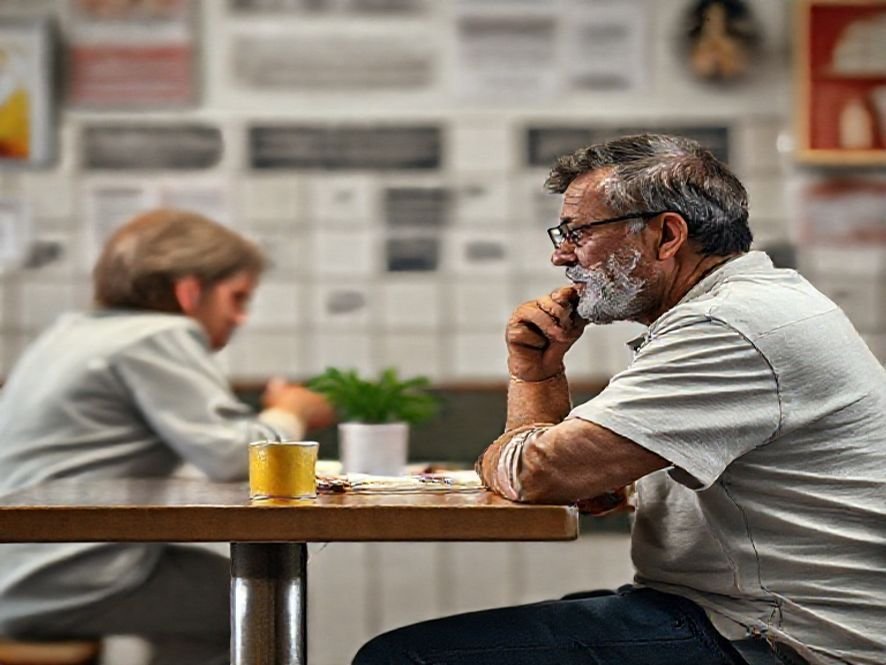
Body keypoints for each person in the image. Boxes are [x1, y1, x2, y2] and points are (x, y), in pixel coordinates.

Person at [352, 134, 886, 665]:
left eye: (578, 233)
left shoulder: (728, 326)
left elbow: (535, 475)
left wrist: (530, 389)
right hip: (740, 612)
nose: (561, 255)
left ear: (667, 235)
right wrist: (613, 476)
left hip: (787, 639)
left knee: (401, 658)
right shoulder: (757, 304)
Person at [0, 209, 335, 665]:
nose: (240, 318)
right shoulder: (157, 334)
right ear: (190, 291)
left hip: (19, 565)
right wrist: (292, 409)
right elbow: (232, 457)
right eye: (237, 298)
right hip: (51, 578)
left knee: (223, 596)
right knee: (248, 602)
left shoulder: (72, 331)